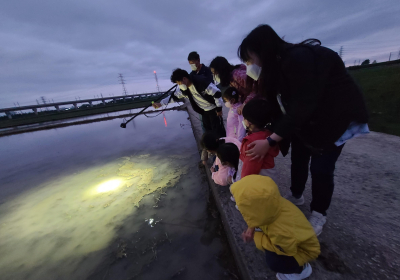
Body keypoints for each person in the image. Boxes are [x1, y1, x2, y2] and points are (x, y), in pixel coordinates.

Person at [237, 24, 369, 235]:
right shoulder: (275, 71)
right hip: (307, 121)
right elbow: (280, 107)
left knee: (321, 168)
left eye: (250, 59)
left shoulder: (298, 59)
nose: (250, 65)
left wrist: (270, 141)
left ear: (264, 50)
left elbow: (302, 105)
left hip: (333, 119)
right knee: (299, 159)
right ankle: (296, 194)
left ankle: (319, 213)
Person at [231, 175, 320, 280]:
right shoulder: (273, 205)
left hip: (302, 250)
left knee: (274, 262)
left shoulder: (281, 231)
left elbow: (286, 250)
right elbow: (256, 215)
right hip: (292, 240)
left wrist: (257, 236)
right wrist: (252, 228)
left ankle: (300, 270)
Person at [152, 69, 226, 164]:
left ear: (184, 79)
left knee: (218, 134)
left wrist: (219, 109)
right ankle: (214, 158)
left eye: (179, 82)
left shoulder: (201, 82)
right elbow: (174, 97)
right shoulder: (184, 89)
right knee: (208, 135)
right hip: (204, 112)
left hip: (214, 111)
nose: (179, 85)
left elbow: (217, 93)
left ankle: (223, 155)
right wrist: (161, 103)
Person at [240, 99, 279, 182]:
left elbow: (249, 171)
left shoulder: (252, 142)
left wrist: (241, 185)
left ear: (248, 122)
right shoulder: (269, 135)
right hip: (269, 180)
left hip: (259, 182)